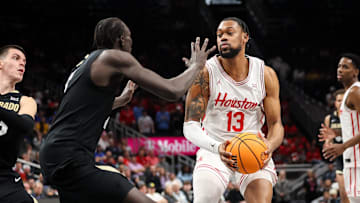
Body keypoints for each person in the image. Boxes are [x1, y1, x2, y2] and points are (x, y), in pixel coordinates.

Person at [39, 17, 215, 203]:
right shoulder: (114, 57)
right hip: (70, 157)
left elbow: (81, 108)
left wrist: (120, 101)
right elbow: (172, 91)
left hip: (55, 154)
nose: (131, 42)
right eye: (130, 37)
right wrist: (196, 67)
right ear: (122, 39)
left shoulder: (83, 65)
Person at [183, 17, 284, 203]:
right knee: (204, 200)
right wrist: (216, 147)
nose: (223, 38)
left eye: (229, 33)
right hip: (214, 148)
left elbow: (276, 124)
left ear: (245, 37)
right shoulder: (205, 73)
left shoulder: (265, 74)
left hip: (252, 146)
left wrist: (269, 146)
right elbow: (190, 125)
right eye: (219, 35)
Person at [320, 53, 360, 203]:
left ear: (356, 72)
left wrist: (343, 146)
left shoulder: (356, 92)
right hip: (352, 161)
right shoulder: (349, 93)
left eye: (345, 67)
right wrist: (336, 133)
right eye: (339, 66)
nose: (340, 69)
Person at [0, 45, 38, 203]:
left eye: (24, 61)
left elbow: (25, 125)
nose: (22, 63)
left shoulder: (26, 101)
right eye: (16, 58)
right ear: (0, 63)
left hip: (4, 178)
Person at [319, 89, 348, 203]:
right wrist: (327, 145)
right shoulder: (329, 118)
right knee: (344, 195)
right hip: (339, 159)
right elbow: (328, 139)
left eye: (343, 100)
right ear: (334, 102)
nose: (340, 103)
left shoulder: (354, 116)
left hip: (353, 157)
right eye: (338, 100)